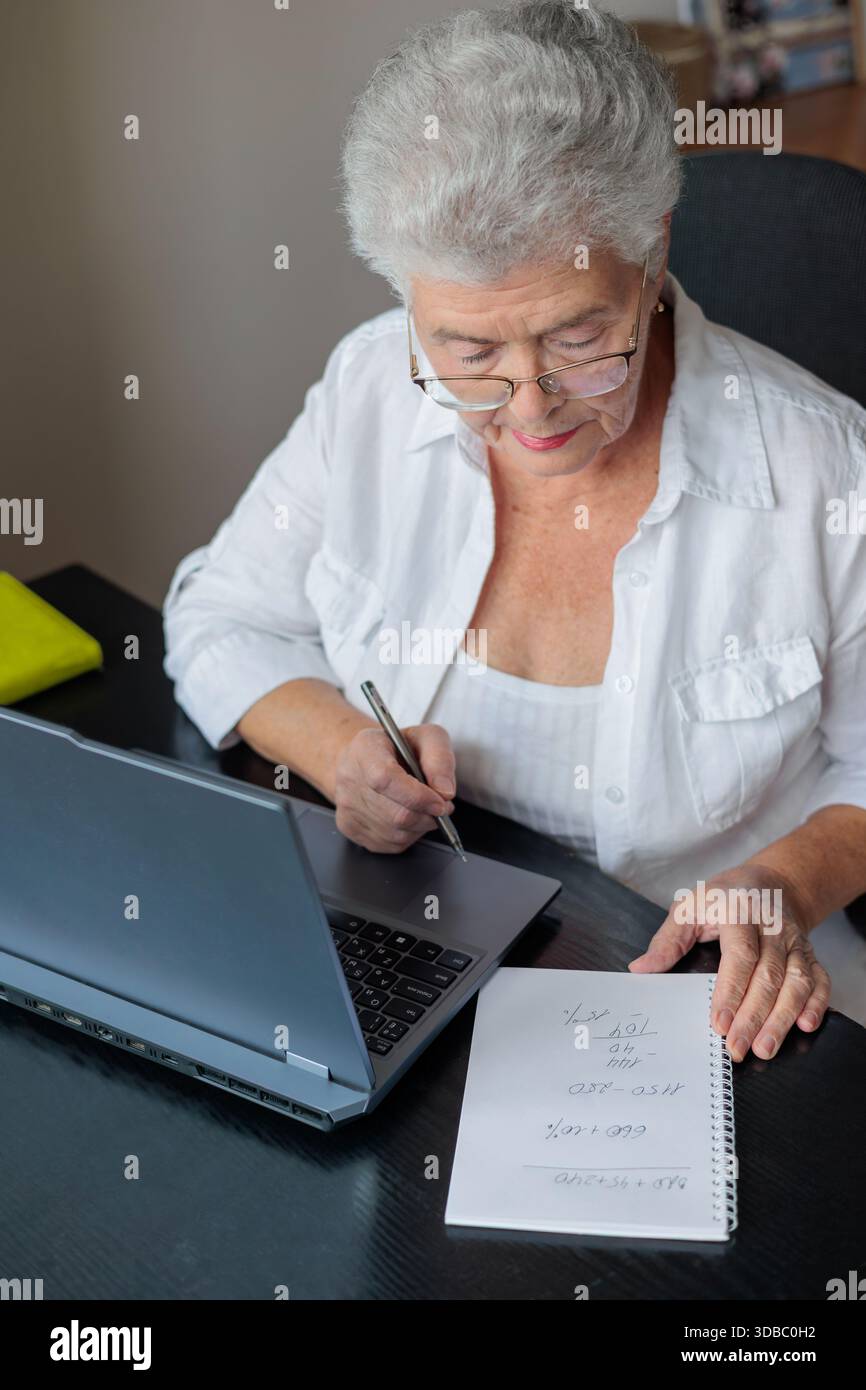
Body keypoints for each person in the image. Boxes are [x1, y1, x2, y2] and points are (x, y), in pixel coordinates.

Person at [164, 2, 866, 1053]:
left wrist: (782, 883)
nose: (530, 409)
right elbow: (221, 616)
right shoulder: (368, 387)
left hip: (721, 1005)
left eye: (579, 338)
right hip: (420, 971)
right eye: (468, 351)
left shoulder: (824, 468)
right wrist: (340, 750)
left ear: (652, 250)